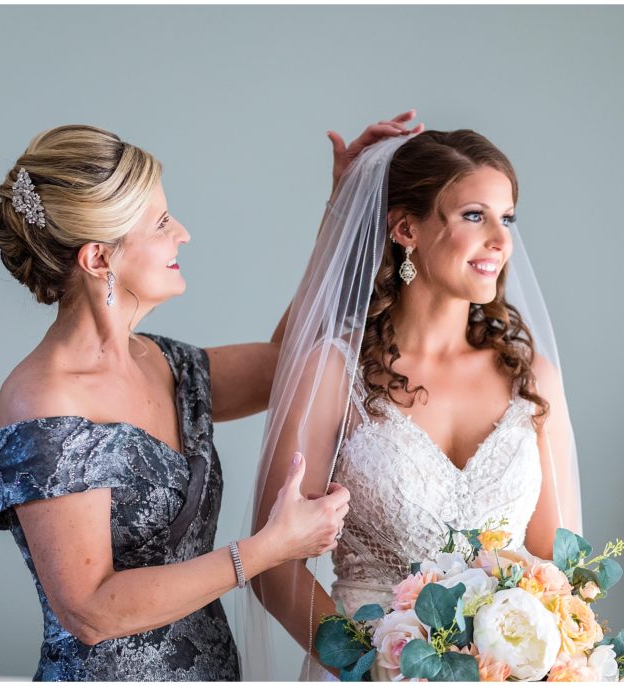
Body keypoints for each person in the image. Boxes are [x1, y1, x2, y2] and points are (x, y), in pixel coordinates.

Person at [0, 116, 420, 680]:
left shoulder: (163, 362)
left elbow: (291, 361)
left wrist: (342, 207)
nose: (182, 232)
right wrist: (268, 549)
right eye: (161, 223)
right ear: (98, 259)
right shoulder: (42, 400)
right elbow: (89, 609)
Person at [245, 130, 583, 678]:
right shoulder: (334, 372)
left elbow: (560, 562)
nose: (501, 240)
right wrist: (371, 665)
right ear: (407, 229)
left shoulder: (531, 378)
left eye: (508, 218)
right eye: (475, 215)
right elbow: (272, 565)